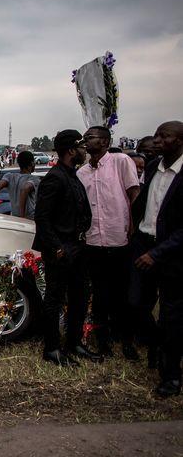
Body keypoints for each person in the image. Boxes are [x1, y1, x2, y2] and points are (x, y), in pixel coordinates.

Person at [33, 130, 98, 366]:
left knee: (80, 296)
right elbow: (42, 217)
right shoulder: (55, 177)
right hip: (61, 248)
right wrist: (57, 247)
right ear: (71, 150)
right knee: (55, 298)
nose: (85, 149)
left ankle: (74, 343)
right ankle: (51, 348)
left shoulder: (72, 175)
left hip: (78, 245)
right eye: (81, 145)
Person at [129, 121, 183, 397]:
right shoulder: (152, 168)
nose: (158, 140)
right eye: (157, 135)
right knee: (136, 304)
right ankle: (157, 347)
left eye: (166, 136)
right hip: (143, 244)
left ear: (180, 140)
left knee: (171, 316)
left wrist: (157, 253)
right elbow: (142, 205)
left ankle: (171, 376)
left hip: (171, 254)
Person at [77, 126, 140, 359]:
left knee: (122, 295)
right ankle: (103, 342)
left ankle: (127, 342)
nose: (86, 140)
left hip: (119, 238)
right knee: (101, 296)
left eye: (90, 137)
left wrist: (133, 225)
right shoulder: (82, 173)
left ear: (104, 141)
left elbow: (134, 193)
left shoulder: (120, 161)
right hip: (94, 241)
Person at [0, 151, 36, 218]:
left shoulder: (9, 176)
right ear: (32, 163)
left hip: (14, 218)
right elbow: (25, 190)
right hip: (30, 220)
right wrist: (22, 217)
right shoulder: (34, 179)